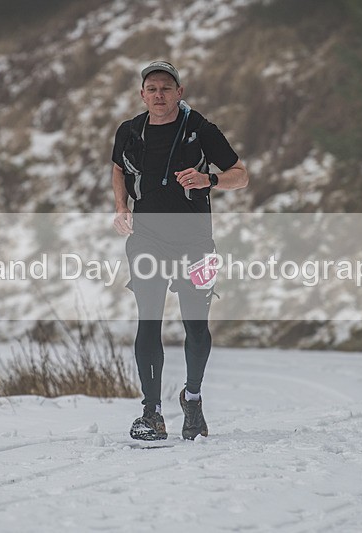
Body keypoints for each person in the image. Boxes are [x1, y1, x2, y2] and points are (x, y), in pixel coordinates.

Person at [110, 60, 248, 441]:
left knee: (196, 326)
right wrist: (121, 207)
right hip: (147, 239)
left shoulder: (200, 130)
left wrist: (211, 179)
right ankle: (151, 413)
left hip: (196, 241)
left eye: (166, 88)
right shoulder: (130, 131)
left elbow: (242, 174)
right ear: (142, 95)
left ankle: (193, 398)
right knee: (149, 320)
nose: (159, 95)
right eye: (152, 88)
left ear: (179, 92)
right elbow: (118, 168)